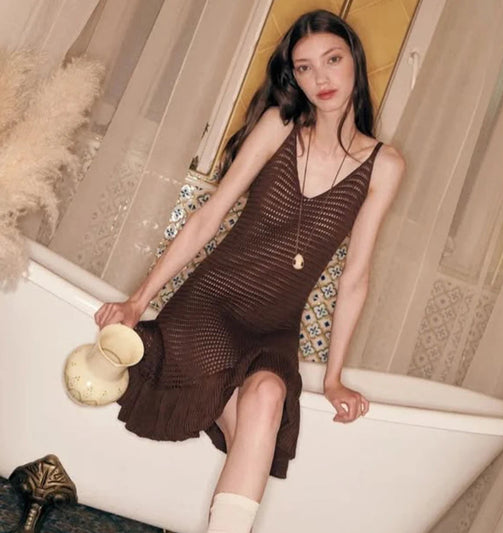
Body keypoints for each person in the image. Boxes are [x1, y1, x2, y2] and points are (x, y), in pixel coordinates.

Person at [95, 9, 405, 533]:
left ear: (355, 61)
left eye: (332, 60)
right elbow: (208, 218)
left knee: (268, 395)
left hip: (276, 327)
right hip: (211, 305)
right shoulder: (280, 126)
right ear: (294, 77)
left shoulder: (385, 165)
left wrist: (334, 378)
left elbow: (355, 277)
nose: (321, 78)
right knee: (260, 418)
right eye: (304, 68)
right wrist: (137, 301)